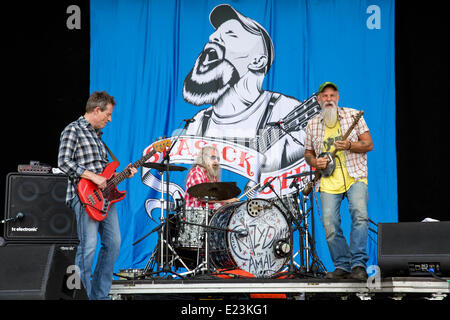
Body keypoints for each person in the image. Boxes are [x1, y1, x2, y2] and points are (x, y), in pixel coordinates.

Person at [58, 91, 137, 299]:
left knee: (114, 243)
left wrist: (123, 175)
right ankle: (81, 295)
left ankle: (99, 296)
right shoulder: (72, 130)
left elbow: (105, 176)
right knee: (88, 247)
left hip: (105, 199)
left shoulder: (98, 138)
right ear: (96, 110)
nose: (109, 120)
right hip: (84, 197)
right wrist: (93, 177)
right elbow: (63, 162)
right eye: (108, 115)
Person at [304, 82, 373, 281]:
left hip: (355, 175)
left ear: (338, 97)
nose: (329, 99)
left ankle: (358, 264)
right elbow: (308, 154)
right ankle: (342, 265)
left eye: (332, 95)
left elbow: (368, 144)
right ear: (318, 100)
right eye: (324, 96)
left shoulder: (353, 116)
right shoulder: (312, 124)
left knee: (360, 216)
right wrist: (315, 161)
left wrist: (350, 145)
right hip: (327, 180)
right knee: (330, 224)